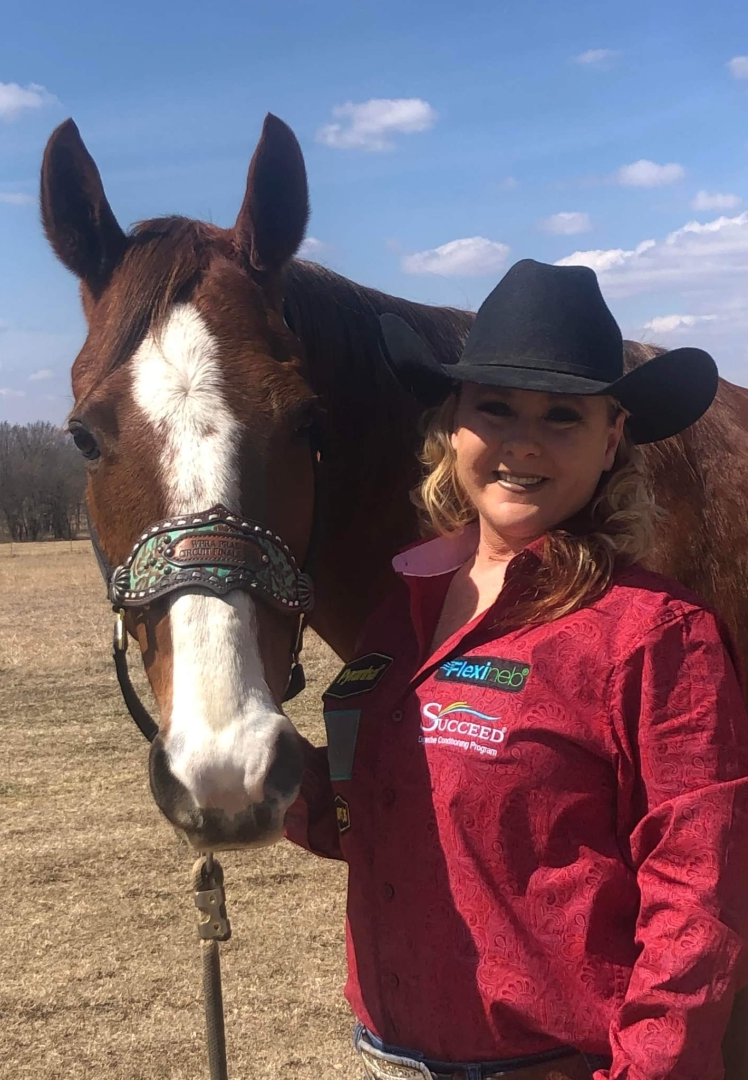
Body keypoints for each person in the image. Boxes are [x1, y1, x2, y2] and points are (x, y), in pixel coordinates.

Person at [284, 259, 748, 1080]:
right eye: (495, 407)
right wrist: (269, 779)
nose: (523, 442)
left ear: (612, 440)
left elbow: (698, 907)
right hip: (390, 1057)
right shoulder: (402, 615)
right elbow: (385, 820)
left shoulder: (658, 637)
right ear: (453, 424)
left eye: (563, 416)